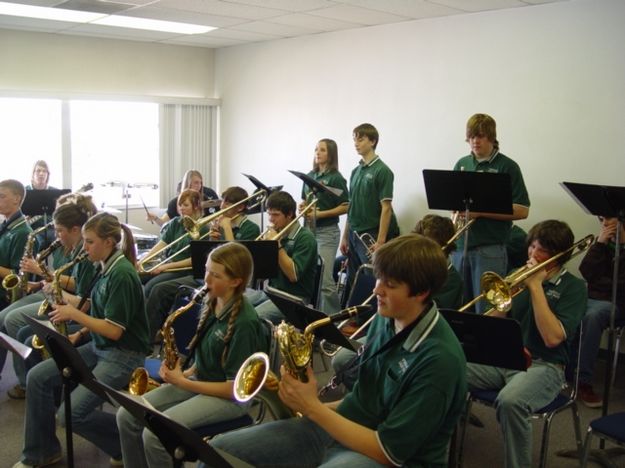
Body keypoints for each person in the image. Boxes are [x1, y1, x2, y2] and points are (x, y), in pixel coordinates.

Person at [208, 234, 467, 467]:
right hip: (347, 427)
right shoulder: (387, 316)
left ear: (421, 292)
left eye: (390, 284)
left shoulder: (439, 362)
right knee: (220, 451)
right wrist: (301, 401)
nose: (376, 289)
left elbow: (389, 452)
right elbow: (365, 401)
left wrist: (312, 408)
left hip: (389, 456)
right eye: (378, 278)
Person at [12, 212, 150, 468]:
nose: (83, 247)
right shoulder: (105, 266)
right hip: (100, 346)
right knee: (37, 378)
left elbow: (115, 330)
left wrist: (73, 314)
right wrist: (79, 329)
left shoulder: (121, 274)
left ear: (109, 242)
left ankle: (135, 437)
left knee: (69, 414)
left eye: (89, 242)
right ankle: (41, 453)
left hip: (123, 354)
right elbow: (99, 310)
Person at [117, 242, 266, 468]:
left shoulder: (245, 323)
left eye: (214, 275)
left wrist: (182, 381)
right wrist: (185, 373)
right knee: (126, 415)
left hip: (228, 398)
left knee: (155, 435)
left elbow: (235, 390)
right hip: (198, 382)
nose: (206, 280)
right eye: (206, 270)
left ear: (236, 281)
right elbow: (205, 357)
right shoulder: (212, 300)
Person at [465, 220, 586, 468]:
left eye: (540, 249)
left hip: (545, 367)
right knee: (446, 365)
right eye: (531, 246)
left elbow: (552, 338)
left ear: (557, 255)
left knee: (511, 402)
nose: (532, 254)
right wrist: (503, 303)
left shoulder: (574, 288)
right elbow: (491, 324)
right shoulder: (517, 275)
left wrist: (535, 287)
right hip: (506, 358)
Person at [332, 214, 464, 391]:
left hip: (415, 341)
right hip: (391, 329)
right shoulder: (387, 309)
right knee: (343, 360)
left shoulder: (452, 280)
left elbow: (432, 313)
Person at [1, 202, 98, 399]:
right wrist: (38, 283)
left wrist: (42, 272)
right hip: (53, 293)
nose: (55, 235)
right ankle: (31, 381)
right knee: (7, 319)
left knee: (13, 321)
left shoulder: (85, 252)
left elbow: (79, 291)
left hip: (66, 302)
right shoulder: (67, 247)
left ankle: (31, 383)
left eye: (59, 230)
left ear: (75, 230)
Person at [145, 187, 261, 339]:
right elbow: (210, 255)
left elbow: (237, 260)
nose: (222, 205)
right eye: (223, 201)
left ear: (240, 207)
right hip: (207, 273)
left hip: (223, 279)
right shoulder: (215, 224)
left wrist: (226, 228)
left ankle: (149, 338)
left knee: (158, 289)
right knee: (148, 283)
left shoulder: (251, 228)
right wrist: (213, 240)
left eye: (227, 203)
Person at [451, 114, 530, 313]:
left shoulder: (507, 166)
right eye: (471, 137)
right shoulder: (462, 164)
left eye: (481, 136)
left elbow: (522, 210)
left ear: (492, 137)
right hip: (460, 248)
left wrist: (480, 212)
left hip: (490, 248)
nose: (475, 141)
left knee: (487, 311)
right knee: (460, 308)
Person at [339, 123, 399, 312]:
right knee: (354, 276)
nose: (356, 143)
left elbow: (386, 208)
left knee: (376, 278)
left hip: (372, 233)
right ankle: (355, 317)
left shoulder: (383, 171)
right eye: (355, 138)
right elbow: (352, 207)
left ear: (372, 141)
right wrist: (345, 236)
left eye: (361, 138)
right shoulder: (355, 172)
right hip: (354, 233)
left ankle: (374, 318)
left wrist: (381, 240)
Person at [575, 216, 625, 407]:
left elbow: (620, 286)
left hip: (617, 302)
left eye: (610, 221)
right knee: (560, 302)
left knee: (592, 316)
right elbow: (586, 270)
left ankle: (583, 381)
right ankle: (559, 368)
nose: (604, 225)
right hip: (593, 296)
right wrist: (600, 243)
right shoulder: (603, 245)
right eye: (602, 220)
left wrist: (599, 282)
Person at [299, 138, 349, 314]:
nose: (317, 153)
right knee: (309, 276)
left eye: (322, 150)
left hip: (327, 232)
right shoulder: (309, 176)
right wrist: (303, 207)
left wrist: (321, 214)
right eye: (316, 149)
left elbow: (346, 205)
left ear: (331, 154)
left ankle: (333, 319)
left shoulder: (336, 178)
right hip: (308, 231)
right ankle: (312, 315)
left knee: (325, 280)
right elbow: (304, 199)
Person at [255, 190, 318, 324]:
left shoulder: (306, 238)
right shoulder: (277, 232)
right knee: (236, 307)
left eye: (276, 215)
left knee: (253, 318)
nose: (271, 219)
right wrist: (260, 252)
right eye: (269, 214)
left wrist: (276, 245)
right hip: (271, 291)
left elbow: (293, 275)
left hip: (294, 298)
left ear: (289, 214)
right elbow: (261, 275)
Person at [140, 189, 204, 298]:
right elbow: (162, 244)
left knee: (151, 287)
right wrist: (142, 261)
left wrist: (165, 267)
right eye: (179, 205)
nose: (181, 208)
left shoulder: (203, 227)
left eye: (185, 205)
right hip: (169, 263)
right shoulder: (176, 222)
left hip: (184, 270)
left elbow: (194, 260)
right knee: (137, 276)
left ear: (196, 206)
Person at [0, 179, 32, 310]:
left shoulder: (23, 233)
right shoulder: (6, 225)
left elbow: (18, 276)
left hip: (5, 296)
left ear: (16, 199)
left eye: (2, 196)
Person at [146, 170, 218, 227]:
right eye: (196, 183)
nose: (199, 186)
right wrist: (155, 218)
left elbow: (214, 220)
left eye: (200, 183)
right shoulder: (174, 203)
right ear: (188, 183)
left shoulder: (206, 199)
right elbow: (163, 223)